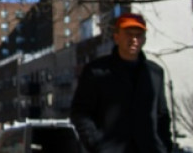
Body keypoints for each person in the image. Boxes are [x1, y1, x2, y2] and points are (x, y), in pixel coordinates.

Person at [70, 12, 172, 153]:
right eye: (129, 34)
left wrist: (164, 146)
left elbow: (162, 115)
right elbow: (80, 113)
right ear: (116, 37)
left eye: (138, 35)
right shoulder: (96, 71)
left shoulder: (155, 73)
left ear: (144, 39)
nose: (134, 39)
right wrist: (97, 144)